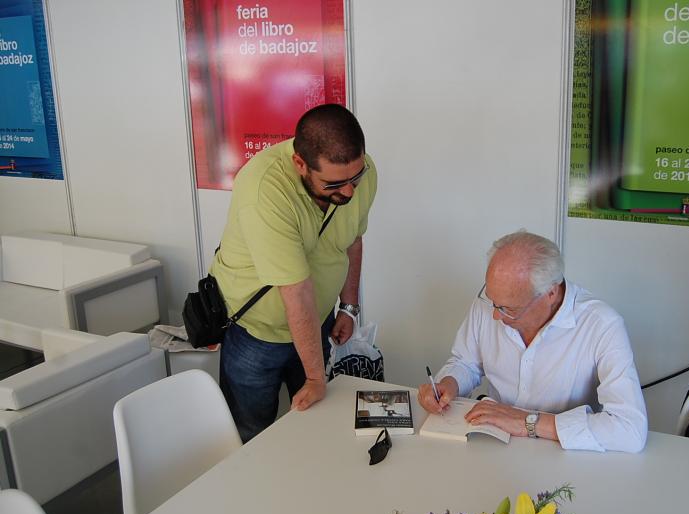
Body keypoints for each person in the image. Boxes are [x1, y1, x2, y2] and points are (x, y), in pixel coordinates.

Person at [211, 104, 377, 442]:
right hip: (257, 335)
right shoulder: (264, 190)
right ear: (300, 164)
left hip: (316, 324)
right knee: (252, 437)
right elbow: (296, 291)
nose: (348, 192)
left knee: (315, 432)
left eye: (355, 178)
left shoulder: (364, 172)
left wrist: (348, 306)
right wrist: (316, 379)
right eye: (334, 184)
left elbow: (352, 242)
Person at [418, 231, 648, 452]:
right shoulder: (491, 304)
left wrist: (527, 422)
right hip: (492, 441)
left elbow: (630, 429)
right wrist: (449, 384)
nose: (496, 316)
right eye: (492, 301)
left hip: (563, 452)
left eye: (509, 309)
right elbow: (465, 362)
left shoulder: (601, 325)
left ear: (551, 293)